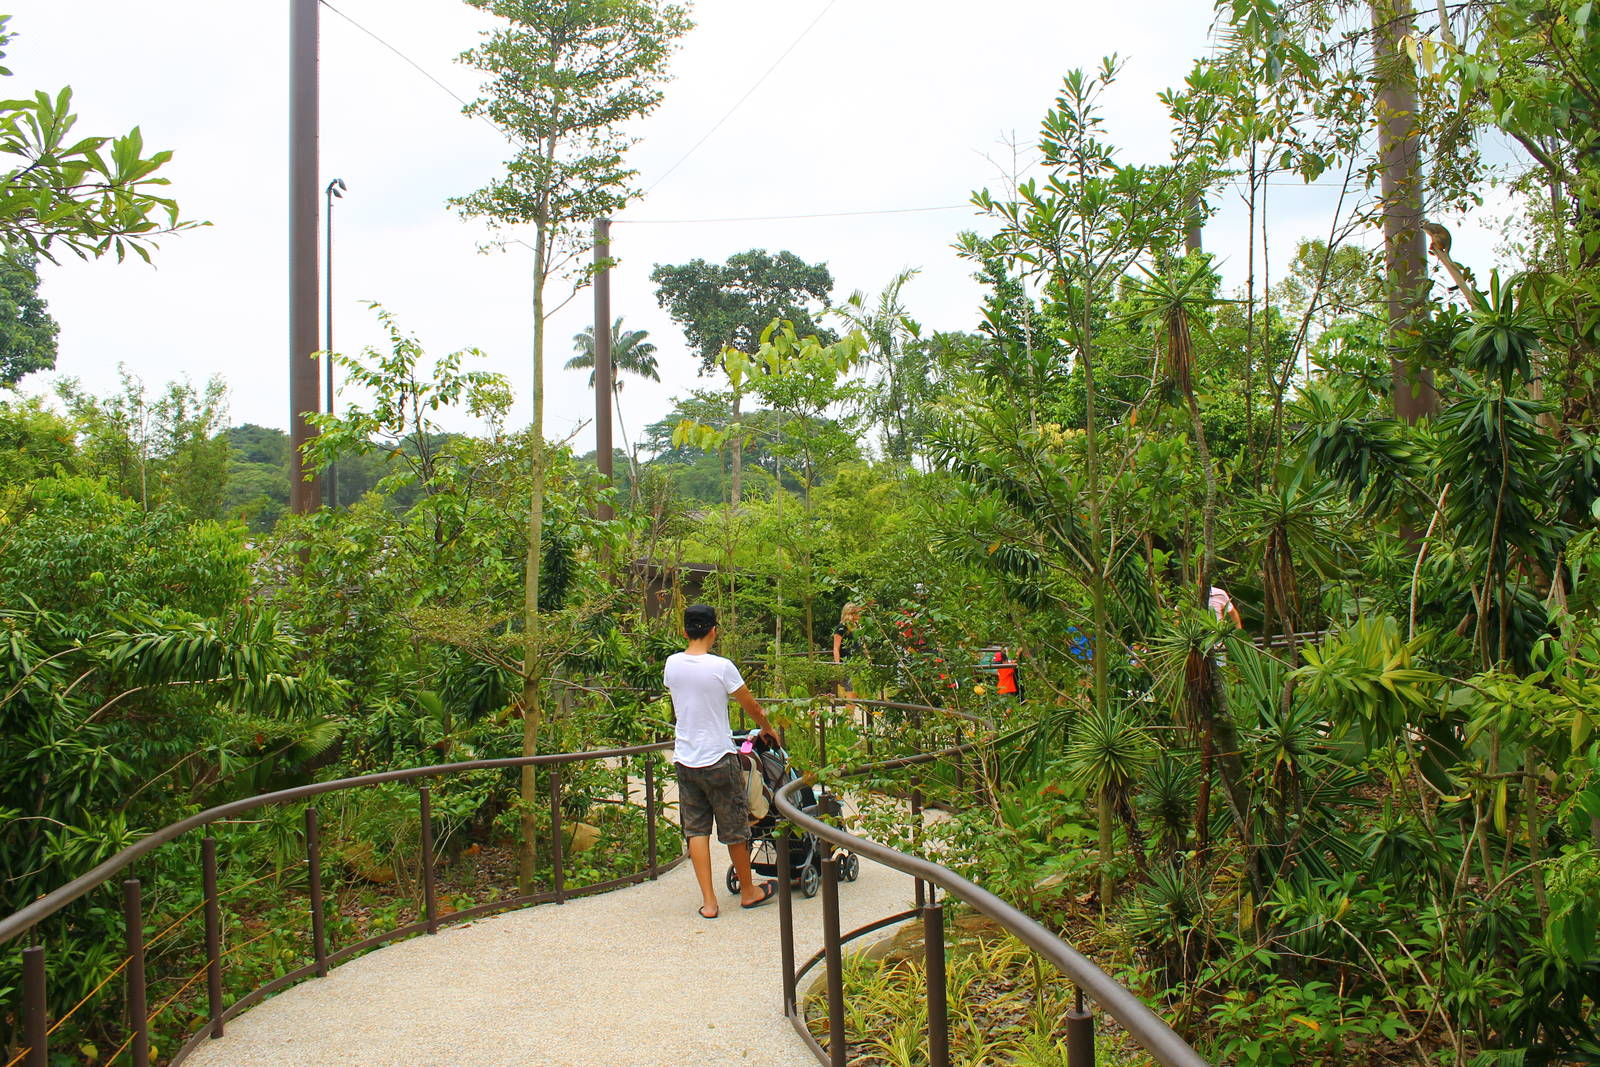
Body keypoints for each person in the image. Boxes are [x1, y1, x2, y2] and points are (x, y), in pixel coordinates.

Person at [664, 603, 781, 919]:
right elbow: (752, 707)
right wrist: (768, 730)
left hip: (685, 759)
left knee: (696, 829)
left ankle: (710, 903)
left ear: (685, 631)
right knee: (734, 826)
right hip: (718, 756)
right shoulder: (722, 667)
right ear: (714, 630)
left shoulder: (671, 664)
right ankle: (748, 891)